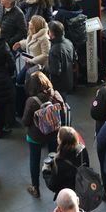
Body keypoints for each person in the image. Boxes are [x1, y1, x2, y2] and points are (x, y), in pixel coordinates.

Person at [22, 71, 68, 199]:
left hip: (36, 135)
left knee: (34, 160)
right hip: (54, 133)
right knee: (54, 158)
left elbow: (25, 121)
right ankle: (58, 185)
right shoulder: (55, 94)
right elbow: (63, 113)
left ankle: (35, 188)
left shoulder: (32, 101)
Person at [43, 125, 89, 199]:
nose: (57, 138)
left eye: (58, 137)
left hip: (67, 196)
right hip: (82, 190)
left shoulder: (59, 162)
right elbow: (86, 167)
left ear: (61, 141)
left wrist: (46, 171)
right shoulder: (82, 149)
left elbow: (52, 186)